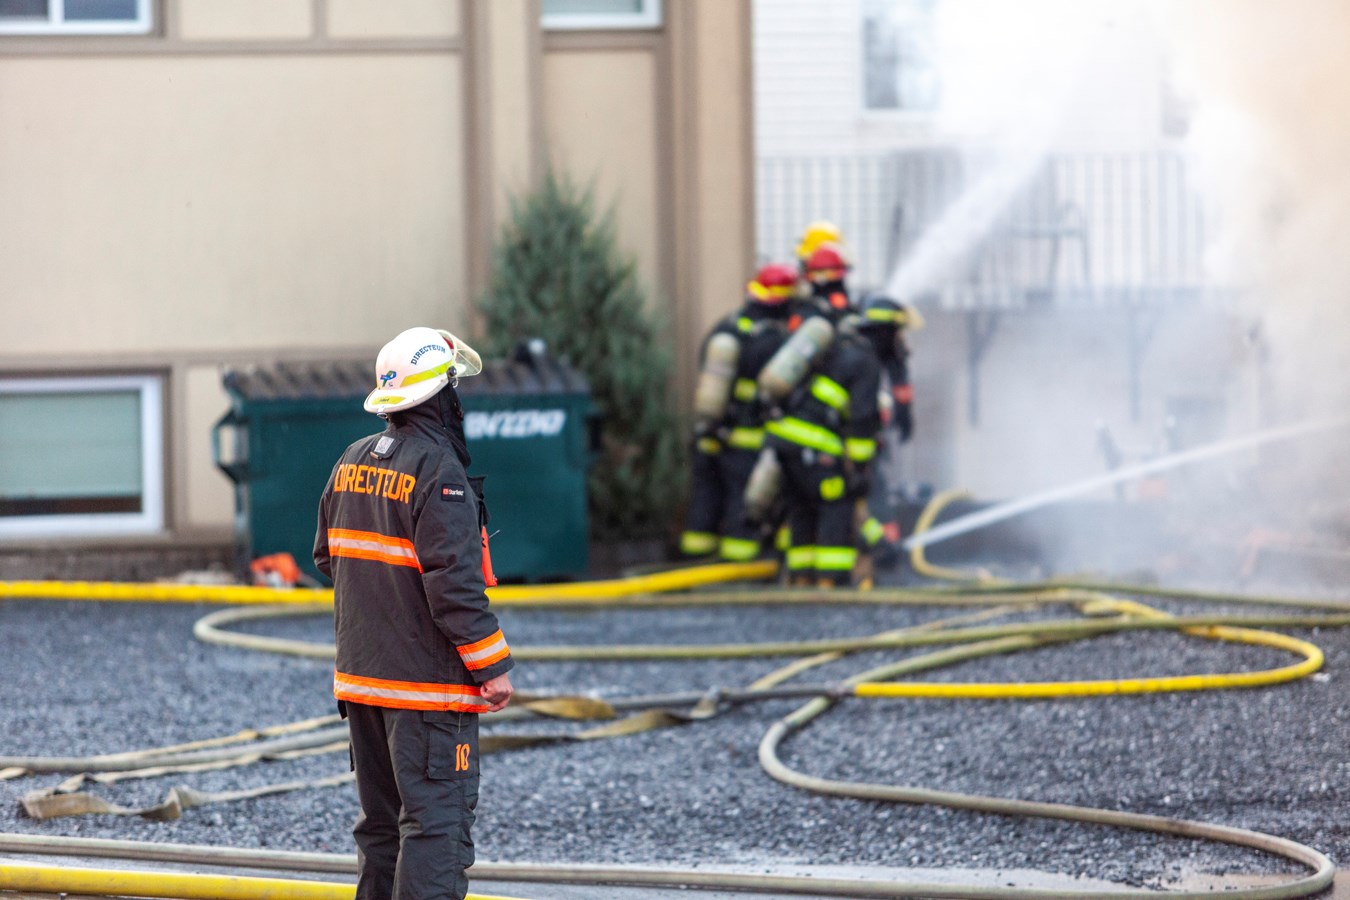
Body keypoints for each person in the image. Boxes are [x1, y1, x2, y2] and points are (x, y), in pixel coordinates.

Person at [314, 325, 514, 900]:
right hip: (426, 692)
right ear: (440, 394)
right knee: (435, 830)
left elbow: (328, 557)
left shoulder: (351, 461)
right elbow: (454, 586)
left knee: (381, 831)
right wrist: (492, 666)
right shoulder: (438, 471)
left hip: (362, 685)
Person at [758, 252, 882, 586]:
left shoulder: (834, 348)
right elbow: (862, 419)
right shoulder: (866, 361)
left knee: (800, 508)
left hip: (783, 440)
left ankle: (800, 579)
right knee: (835, 505)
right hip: (817, 446)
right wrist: (860, 467)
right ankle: (829, 580)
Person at [679, 262, 799, 561]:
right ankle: (739, 562)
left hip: (711, 431)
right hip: (748, 439)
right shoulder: (775, 340)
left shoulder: (726, 327)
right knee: (742, 500)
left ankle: (696, 556)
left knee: (706, 496)